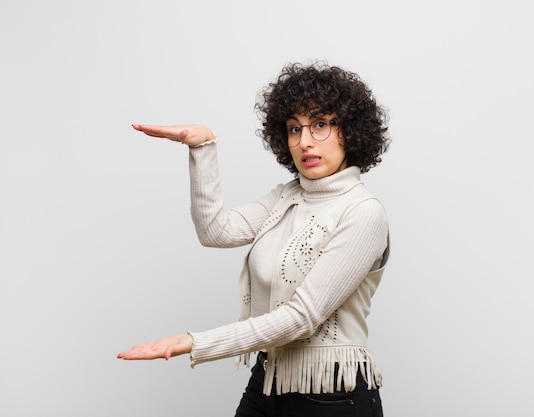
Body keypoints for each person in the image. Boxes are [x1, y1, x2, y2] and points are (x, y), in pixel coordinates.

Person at [117, 61, 391, 417]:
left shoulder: (363, 212)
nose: (304, 141)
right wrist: (203, 147)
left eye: (321, 124)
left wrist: (195, 343)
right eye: (295, 129)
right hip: (268, 380)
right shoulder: (286, 197)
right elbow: (216, 231)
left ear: (349, 132)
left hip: (333, 395)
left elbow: (301, 318)